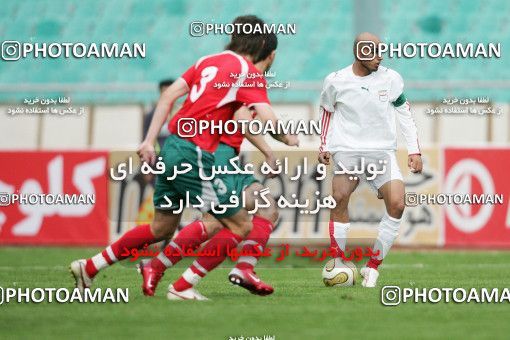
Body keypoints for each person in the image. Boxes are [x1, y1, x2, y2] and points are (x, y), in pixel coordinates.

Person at [70, 15, 298, 301]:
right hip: (196, 152)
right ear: (264, 44)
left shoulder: (207, 61)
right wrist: (288, 138)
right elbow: (266, 118)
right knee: (238, 224)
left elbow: (168, 97)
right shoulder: (247, 71)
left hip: (173, 147)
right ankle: (183, 286)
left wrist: (148, 141)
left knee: (161, 227)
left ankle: (90, 267)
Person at [318, 32, 423, 288]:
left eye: (381, 50)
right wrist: (324, 145)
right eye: (373, 52)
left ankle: (372, 267)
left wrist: (414, 150)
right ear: (358, 54)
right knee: (340, 197)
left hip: (382, 152)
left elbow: (404, 112)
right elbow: (327, 111)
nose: (379, 57)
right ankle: (338, 261)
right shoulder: (336, 81)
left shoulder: (391, 78)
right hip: (347, 149)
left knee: (397, 203)